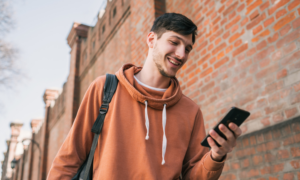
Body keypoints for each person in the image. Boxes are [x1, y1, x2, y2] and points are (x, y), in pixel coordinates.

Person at [47, 13, 242, 180]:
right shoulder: (105, 89)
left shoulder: (191, 111)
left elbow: (194, 175)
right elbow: (69, 160)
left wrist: (216, 155)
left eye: (188, 48)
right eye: (174, 42)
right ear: (151, 40)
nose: (181, 54)